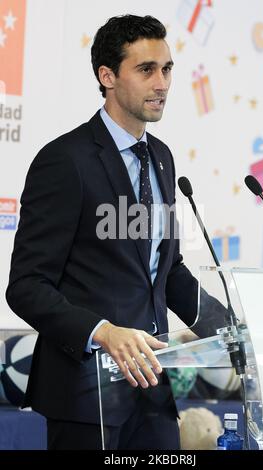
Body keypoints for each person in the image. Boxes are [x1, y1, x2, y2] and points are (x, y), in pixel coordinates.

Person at [6, 14, 226, 450]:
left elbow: (167, 270)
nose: (161, 83)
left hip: (152, 394)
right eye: (146, 70)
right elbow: (26, 286)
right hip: (86, 397)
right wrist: (104, 330)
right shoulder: (65, 161)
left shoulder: (161, 157)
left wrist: (228, 327)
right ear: (107, 76)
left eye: (167, 69)